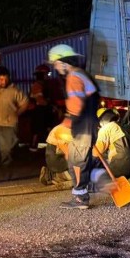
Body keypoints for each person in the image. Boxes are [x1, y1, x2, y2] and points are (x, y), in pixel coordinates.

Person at [47, 44, 100, 209]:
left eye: (56, 63)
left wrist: (67, 120)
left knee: (76, 161)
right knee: (80, 159)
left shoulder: (73, 77)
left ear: (64, 62)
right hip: (89, 123)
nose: (55, 68)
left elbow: (76, 105)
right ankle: (83, 192)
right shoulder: (82, 74)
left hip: (82, 126)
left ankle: (80, 199)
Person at [0, 66, 30, 168]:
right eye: (1, 79)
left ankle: (7, 172)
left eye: (6, 79)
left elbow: (25, 102)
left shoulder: (14, 90)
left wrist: (17, 113)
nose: (4, 82)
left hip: (9, 124)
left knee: (6, 150)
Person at [39, 123, 74, 190]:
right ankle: (55, 176)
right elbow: (66, 152)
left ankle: (50, 173)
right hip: (57, 158)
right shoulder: (65, 129)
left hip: (54, 157)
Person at [28, 64, 54, 152]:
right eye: (47, 74)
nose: (48, 76)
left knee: (46, 127)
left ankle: (44, 146)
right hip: (38, 110)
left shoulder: (44, 85)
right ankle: (33, 146)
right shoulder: (37, 85)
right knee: (37, 128)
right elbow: (40, 100)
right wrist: (51, 105)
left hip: (43, 110)